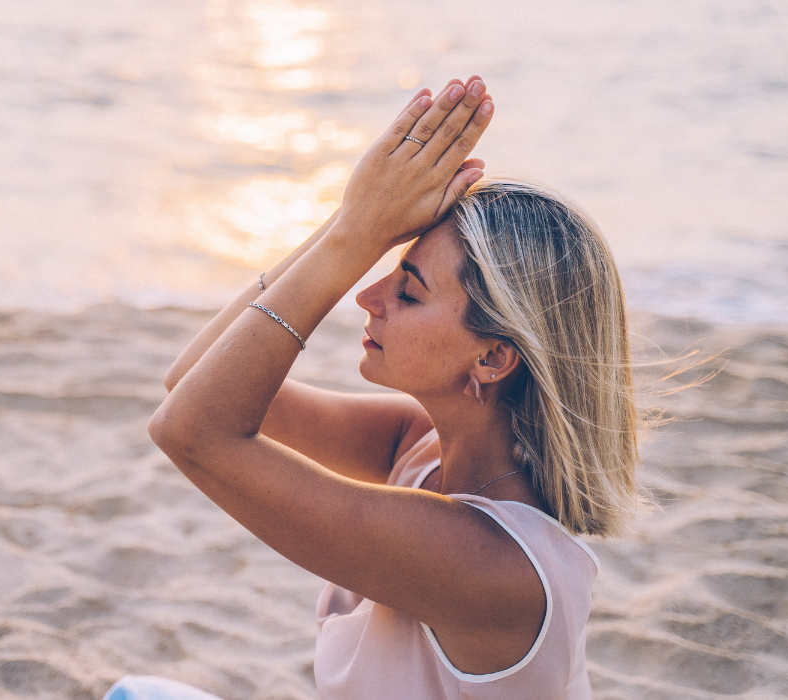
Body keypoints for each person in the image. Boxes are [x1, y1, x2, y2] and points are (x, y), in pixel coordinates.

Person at [111, 74, 638, 700]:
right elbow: (192, 382)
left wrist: (354, 237)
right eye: (384, 269)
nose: (368, 294)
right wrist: (354, 221)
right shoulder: (418, 448)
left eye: (408, 291)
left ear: (493, 357)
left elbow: (191, 430)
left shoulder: (492, 564)